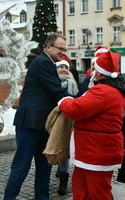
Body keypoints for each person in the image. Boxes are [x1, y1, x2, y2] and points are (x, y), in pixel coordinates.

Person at [4, 33, 70, 200]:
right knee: (21, 168)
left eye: (64, 49)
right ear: (48, 46)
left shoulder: (47, 62)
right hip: (30, 124)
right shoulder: (43, 62)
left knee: (44, 166)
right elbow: (56, 91)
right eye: (60, 49)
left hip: (42, 125)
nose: (63, 53)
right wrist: (81, 102)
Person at [58, 51, 125, 200]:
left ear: (101, 73)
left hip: (96, 152)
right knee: (81, 188)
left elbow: (75, 109)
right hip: (91, 152)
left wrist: (64, 101)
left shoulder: (104, 91)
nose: (94, 72)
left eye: (96, 69)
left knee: (98, 193)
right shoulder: (109, 89)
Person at [55, 59, 79, 195]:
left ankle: (63, 183)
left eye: (65, 67)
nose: (63, 68)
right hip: (53, 120)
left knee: (65, 151)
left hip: (67, 121)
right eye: (60, 67)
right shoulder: (52, 83)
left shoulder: (73, 83)